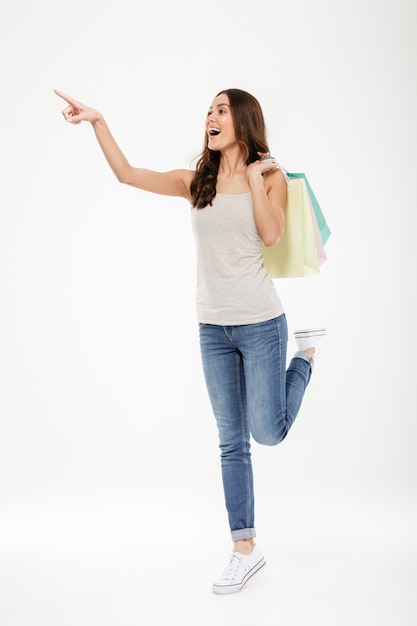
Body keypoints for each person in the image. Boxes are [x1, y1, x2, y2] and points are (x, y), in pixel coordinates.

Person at [54, 87, 325, 595]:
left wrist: (251, 176)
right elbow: (127, 174)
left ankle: (305, 358)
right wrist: (98, 122)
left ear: (244, 122)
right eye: (209, 110)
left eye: (221, 110)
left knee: (268, 433)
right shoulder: (195, 183)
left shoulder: (272, 180)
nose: (210, 117)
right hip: (212, 329)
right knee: (231, 442)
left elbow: (271, 237)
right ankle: (244, 549)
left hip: (263, 325)